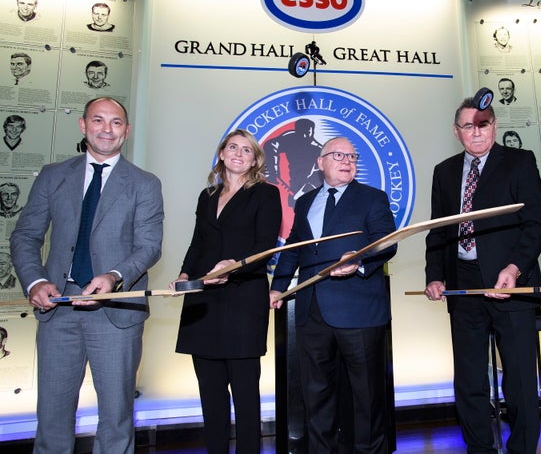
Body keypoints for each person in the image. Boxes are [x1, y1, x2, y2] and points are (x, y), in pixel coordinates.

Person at [9, 97, 164, 454]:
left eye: (115, 123)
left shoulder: (145, 183)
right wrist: (35, 281)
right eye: (98, 120)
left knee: (116, 416)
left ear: (126, 131)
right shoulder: (52, 176)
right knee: (51, 415)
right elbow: (25, 236)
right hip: (57, 310)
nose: (106, 129)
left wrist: (112, 276)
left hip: (116, 314)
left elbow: (149, 246)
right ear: (83, 125)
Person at [424, 98, 541, 453]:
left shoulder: (520, 162)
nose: (476, 132)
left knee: (520, 379)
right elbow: (438, 231)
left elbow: (536, 225)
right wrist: (435, 275)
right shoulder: (444, 172)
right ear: (456, 131)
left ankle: (523, 448)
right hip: (463, 285)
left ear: (494, 126)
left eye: (483, 124)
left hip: (511, 282)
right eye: (468, 126)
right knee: (469, 380)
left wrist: (513, 268)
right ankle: (479, 449)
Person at [269, 137, 397, 454]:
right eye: (338, 155)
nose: (347, 161)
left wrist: (358, 259)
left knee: (367, 396)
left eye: (352, 156)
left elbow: (387, 242)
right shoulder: (305, 201)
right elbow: (294, 250)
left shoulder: (372, 198)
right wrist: (278, 286)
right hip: (313, 313)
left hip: (360, 312)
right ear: (320, 162)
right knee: (316, 395)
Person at [173, 130, 282, 454]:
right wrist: (184, 275)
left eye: (246, 150)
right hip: (202, 302)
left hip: (243, 303)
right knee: (210, 394)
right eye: (232, 147)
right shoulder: (207, 196)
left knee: (246, 397)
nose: (238, 153)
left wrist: (234, 266)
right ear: (221, 154)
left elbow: (265, 247)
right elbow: (197, 244)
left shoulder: (266, 194)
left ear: (255, 160)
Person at [263, 118, 323, 207]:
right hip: (293, 182)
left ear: (312, 132)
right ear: (297, 131)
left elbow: (317, 176)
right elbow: (271, 145)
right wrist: (273, 170)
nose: (305, 136)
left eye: (308, 132)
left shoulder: (318, 150)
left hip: (310, 187)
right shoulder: (290, 139)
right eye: (302, 132)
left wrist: (303, 191)